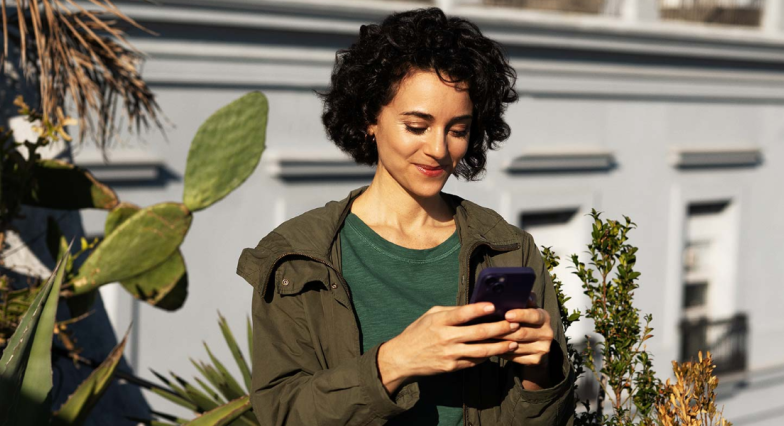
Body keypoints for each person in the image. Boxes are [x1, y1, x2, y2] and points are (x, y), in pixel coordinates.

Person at [236, 7, 573, 426]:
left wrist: (540, 373)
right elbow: (282, 414)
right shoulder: (296, 258)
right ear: (368, 119)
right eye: (417, 126)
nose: (438, 149)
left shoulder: (507, 249)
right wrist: (394, 362)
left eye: (457, 130)